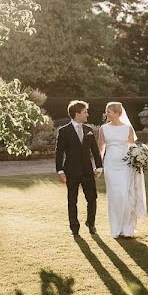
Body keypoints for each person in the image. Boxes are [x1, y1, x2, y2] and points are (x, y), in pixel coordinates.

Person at [97, 101, 147, 239]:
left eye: (109, 111)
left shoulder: (127, 128)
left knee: (126, 195)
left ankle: (127, 228)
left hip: (126, 164)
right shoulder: (103, 128)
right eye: (106, 111)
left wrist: (138, 158)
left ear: (117, 113)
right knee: (114, 196)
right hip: (110, 165)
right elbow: (101, 148)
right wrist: (98, 165)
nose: (106, 114)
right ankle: (116, 228)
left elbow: (132, 147)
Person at [55, 100, 103, 238]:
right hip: (71, 171)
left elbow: (95, 150)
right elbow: (59, 153)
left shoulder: (88, 130)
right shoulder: (64, 131)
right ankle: (74, 228)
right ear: (77, 114)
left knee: (92, 198)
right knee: (72, 200)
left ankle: (91, 223)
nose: (87, 114)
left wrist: (99, 167)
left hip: (88, 171)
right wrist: (60, 170)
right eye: (85, 112)